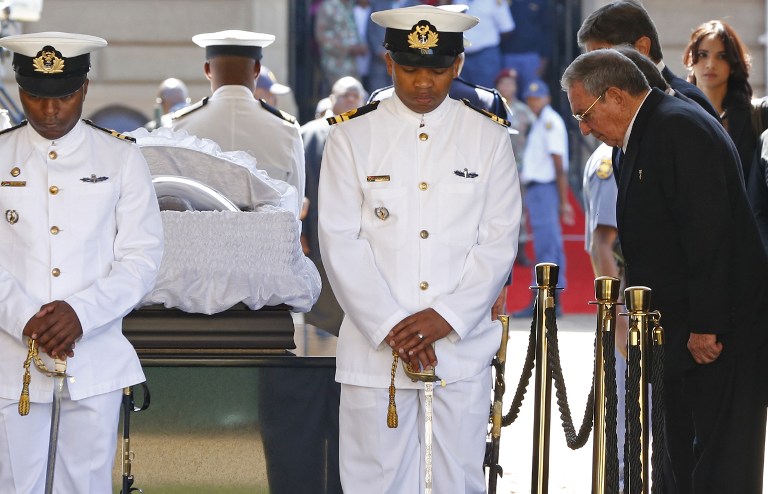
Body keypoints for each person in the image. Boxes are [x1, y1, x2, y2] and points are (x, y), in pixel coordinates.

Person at [318, 5, 521, 493]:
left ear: (458, 65)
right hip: (376, 348)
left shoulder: (488, 136)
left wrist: (447, 316)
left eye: (436, 69)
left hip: (461, 342)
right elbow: (340, 241)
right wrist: (393, 326)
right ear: (389, 63)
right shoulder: (351, 135)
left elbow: (498, 239)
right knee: (376, 482)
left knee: (462, 479)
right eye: (410, 69)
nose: (423, 82)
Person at [562, 48, 768, 494]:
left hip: (714, 337)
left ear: (615, 96)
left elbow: (708, 236)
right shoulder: (642, 132)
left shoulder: (677, 127)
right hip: (678, 335)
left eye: (584, 113)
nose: (583, 127)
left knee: (718, 466)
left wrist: (706, 326)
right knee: (677, 460)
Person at [0, 32, 164, 493]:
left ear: (85, 88)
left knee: (86, 485)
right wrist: (25, 319)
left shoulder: (121, 156)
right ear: (17, 89)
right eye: (35, 96)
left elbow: (141, 255)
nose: (50, 111)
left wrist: (81, 314)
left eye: (64, 96)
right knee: (14, 484)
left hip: (94, 355)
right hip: (12, 358)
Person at [171, 30, 305, 213]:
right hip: (267, 240)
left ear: (207, 70)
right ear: (257, 69)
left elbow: (172, 202)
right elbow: (294, 210)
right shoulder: (286, 130)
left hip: (200, 240)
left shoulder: (181, 126)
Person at [577, 0, 719, 121]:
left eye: (604, 58)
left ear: (642, 48)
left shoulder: (685, 99)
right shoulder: (626, 102)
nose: (595, 72)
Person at [302, 76, 368, 337]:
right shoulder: (309, 134)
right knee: (322, 321)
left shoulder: (371, 132)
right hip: (318, 238)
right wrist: (299, 232)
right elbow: (299, 186)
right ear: (332, 99)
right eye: (345, 95)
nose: (351, 100)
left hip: (362, 240)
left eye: (356, 96)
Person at [512, 79, 573, 318]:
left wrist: (564, 200)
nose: (533, 102)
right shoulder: (542, 121)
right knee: (549, 246)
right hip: (541, 189)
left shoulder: (548, 122)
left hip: (544, 188)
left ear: (547, 98)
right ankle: (549, 301)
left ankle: (545, 301)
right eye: (530, 99)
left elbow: (559, 164)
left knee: (547, 247)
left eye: (537, 98)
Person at [683, 19, 763, 182]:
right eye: (703, 55)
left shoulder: (756, 116)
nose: (711, 64)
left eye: (721, 56)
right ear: (691, 59)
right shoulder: (676, 114)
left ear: (733, 64)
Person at [458, 0, 515, 89]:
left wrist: (487, 39)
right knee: (461, 93)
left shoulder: (494, 1)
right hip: (461, 55)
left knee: (486, 92)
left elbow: (507, 28)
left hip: (485, 55)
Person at [314, 0, 368, 91]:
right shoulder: (328, 6)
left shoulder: (351, 5)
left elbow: (353, 29)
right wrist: (348, 48)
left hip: (353, 64)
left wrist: (360, 45)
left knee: (355, 95)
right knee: (341, 94)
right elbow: (321, 37)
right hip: (335, 64)